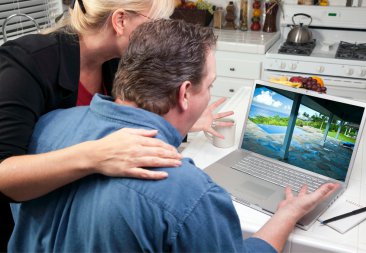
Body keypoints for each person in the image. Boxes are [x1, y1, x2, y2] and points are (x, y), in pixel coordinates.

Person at [9, 19, 339, 252]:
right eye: (209, 86)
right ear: (184, 94)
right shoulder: (189, 193)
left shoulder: (48, 127)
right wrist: (287, 213)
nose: (209, 94)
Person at [0, 0, 233, 249]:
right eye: (154, 23)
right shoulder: (27, 63)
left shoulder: (117, 60)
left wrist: (183, 121)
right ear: (120, 20)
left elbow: (128, 114)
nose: (160, 33)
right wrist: (96, 155)